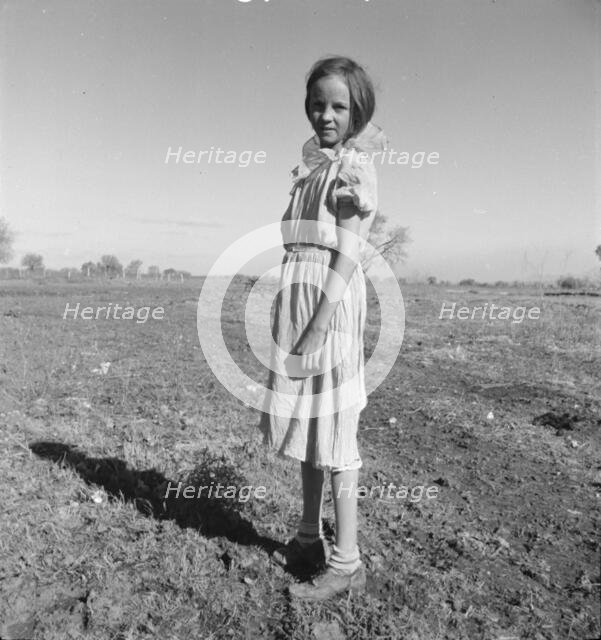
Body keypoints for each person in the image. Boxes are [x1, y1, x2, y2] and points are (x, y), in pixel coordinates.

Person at [257, 55, 387, 601]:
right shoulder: (312, 169)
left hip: (327, 307)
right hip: (299, 301)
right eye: (317, 104)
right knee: (311, 425)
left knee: (334, 430)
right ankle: (309, 535)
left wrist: (318, 323)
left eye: (338, 105)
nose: (325, 115)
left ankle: (347, 562)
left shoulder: (353, 170)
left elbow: (349, 251)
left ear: (357, 110)